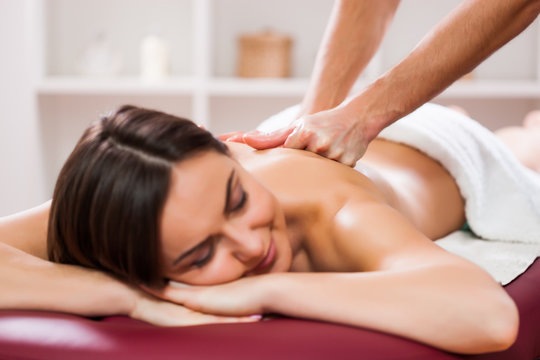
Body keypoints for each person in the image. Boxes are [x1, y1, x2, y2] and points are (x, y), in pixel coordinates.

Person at [2, 104, 540, 354]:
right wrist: (122, 296)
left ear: (231, 150)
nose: (253, 244)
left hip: (444, 150)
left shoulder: (335, 212)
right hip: (328, 134)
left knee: (523, 151)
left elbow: (488, 320)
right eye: (198, 254)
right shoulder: (147, 198)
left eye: (237, 201)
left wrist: (267, 287)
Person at [237, 0, 540, 165]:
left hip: (428, 141)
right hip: (423, 138)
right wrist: (312, 114)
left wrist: (362, 116)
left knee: (524, 150)